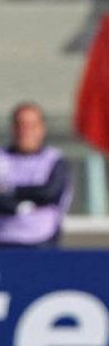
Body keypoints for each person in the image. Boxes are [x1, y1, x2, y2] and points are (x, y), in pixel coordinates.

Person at [0, 102, 72, 248]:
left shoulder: (53, 160)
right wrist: (19, 205)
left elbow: (49, 193)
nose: (25, 131)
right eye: (20, 125)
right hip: (4, 240)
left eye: (31, 126)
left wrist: (12, 191)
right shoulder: (2, 158)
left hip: (41, 241)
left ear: (41, 129)